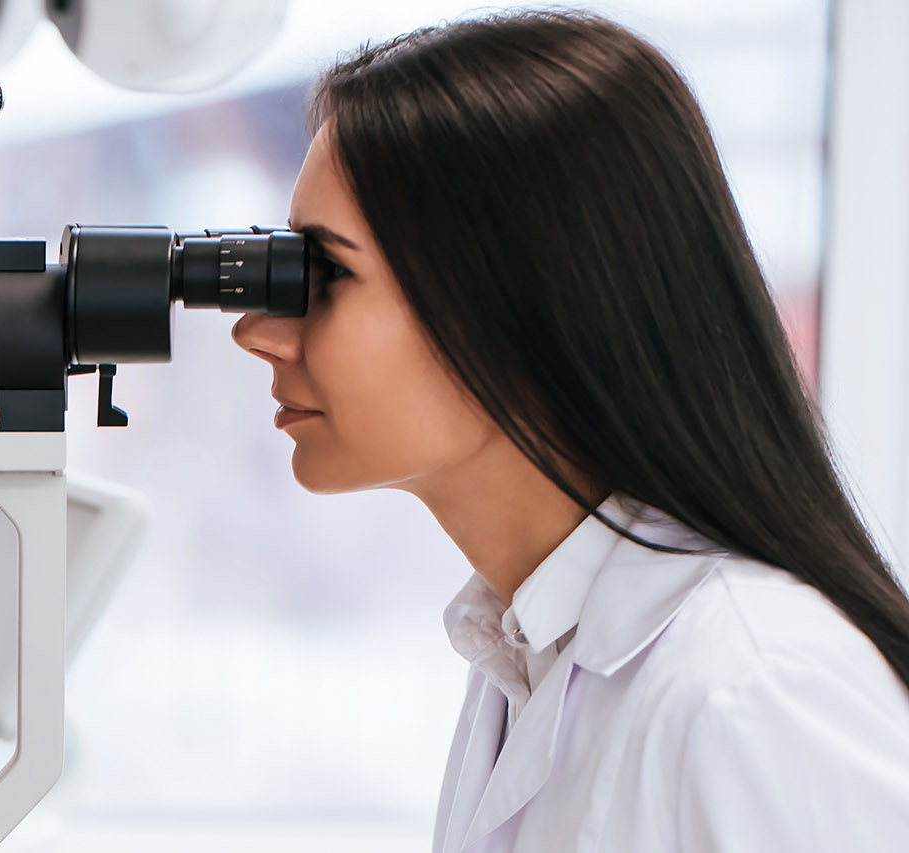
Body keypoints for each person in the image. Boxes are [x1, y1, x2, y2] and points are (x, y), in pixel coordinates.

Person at [231, 11, 909, 852]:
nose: (258, 330)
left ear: (518, 304)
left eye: (326, 272)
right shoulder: (524, 663)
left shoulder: (750, 690)